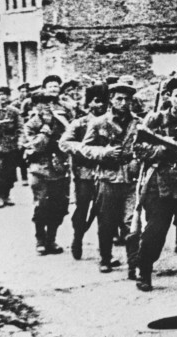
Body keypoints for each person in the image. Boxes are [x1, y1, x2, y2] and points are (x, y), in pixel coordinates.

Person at [133, 76, 177, 293]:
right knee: (155, 232)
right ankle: (144, 272)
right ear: (169, 97)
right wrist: (161, 150)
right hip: (159, 183)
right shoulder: (155, 120)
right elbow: (137, 148)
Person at [81, 81, 141, 275]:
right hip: (107, 178)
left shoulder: (138, 123)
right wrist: (104, 152)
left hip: (131, 180)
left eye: (127, 99)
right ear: (111, 100)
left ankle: (134, 265)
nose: (123, 103)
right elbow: (85, 148)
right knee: (106, 222)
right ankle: (105, 258)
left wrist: (137, 160)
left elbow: (145, 147)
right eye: (119, 99)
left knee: (132, 223)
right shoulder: (99, 122)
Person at [60, 83, 109, 260]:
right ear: (88, 103)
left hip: (107, 174)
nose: (100, 105)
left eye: (104, 101)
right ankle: (78, 238)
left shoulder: (111, 122)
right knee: (82, 209)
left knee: (105, 212)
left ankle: (105, 254)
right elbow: (64, 143)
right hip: (85, 174)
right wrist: (85, 149)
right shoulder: (79, 123)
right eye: (96, 101)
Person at [24, 93, 71, 255]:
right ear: (34, 106)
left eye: (49, 103)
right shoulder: (31, 125)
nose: (45, 106)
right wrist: (45, 131)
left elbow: (70, 139)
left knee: (59, 206)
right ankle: (40, 239)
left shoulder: (61, 121)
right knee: (42, 205)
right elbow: (36, 146)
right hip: (39, 169)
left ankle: (51, 239)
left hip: (59, 169)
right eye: (41, 103)